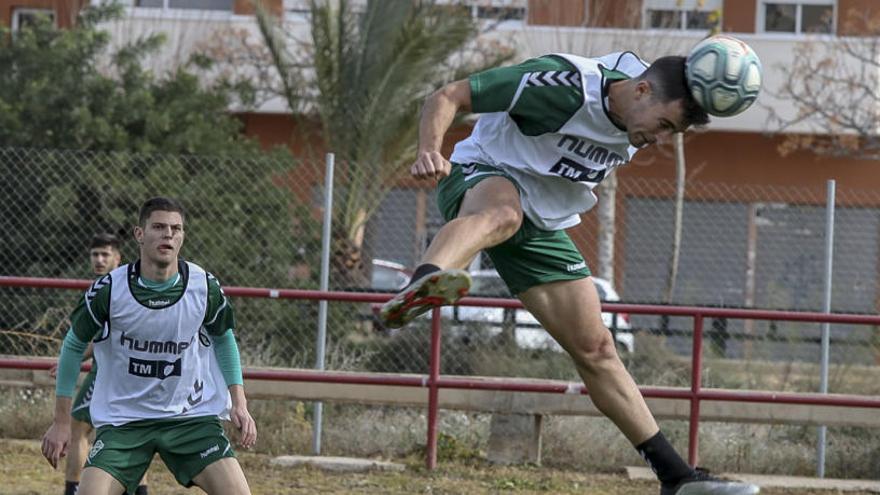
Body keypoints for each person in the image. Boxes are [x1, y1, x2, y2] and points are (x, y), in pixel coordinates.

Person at [380, 51, 760, 495]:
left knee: (598, 349)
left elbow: (671, 74)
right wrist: (429, 151)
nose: (660, 139)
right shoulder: (561, 86)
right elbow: (447, 95)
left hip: (541, 219)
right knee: (504, 213)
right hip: (480, 173)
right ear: (641, 90)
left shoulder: (641, 105)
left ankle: (677, 478)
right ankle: (424, 280)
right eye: (664, 126)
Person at [41, 197, 257, 495]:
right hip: (125, 421)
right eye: (158, 226)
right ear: (139, 234)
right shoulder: (109, 290)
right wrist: (61, 422)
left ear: (182, 236)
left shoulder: (203, 286)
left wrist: (240, 404)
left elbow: (223, 338)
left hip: (189, 419)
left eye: (175, 228)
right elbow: (74, 345)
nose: (168, 234)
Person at [47, 233, 152, 495]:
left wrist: (74, 358)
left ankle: (73, 490)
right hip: (120, 371)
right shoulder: (102, 287)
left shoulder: (118, 289)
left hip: (112, 371)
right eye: (95, 254)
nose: (99, 259)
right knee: (131, 433)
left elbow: (113, 338)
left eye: (105, 254)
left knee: (78, 428)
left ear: (118, 258)